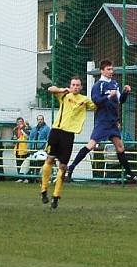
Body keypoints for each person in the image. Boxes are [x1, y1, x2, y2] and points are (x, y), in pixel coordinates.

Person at [66, 59, 137, 183]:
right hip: (102, 121)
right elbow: (96, 100)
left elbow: (120, 100)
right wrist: (108, 96)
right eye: (108, 69)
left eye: (112, 69)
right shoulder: (98, 85)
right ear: (102, 71)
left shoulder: (114, 84)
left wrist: (125, 92)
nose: (111, 71)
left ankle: (129, 174)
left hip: (113, 122)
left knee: (120, 147)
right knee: (91, 145)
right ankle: (71, 168)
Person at [40, 77, 96, 210]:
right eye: (73, 84)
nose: (75, 87)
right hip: (56, 131)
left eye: (78, 85)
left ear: (81, 87)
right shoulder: (64, 95)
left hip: (69, 135)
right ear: (70, 85)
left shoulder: (84, 99)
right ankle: (43, 189)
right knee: (49, 159)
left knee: (63, 166)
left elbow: (96, 106)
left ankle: (56, 196)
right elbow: (50, 89)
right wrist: (62, 89)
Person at [13, 117, 29, 182]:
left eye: (21, 121)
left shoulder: (26, 128)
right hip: (17, 148)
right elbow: (13, 138)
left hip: (25, 148)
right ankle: (20, 177)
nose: (20, 123)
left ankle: (25, 177)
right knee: (18, 163)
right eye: (18, 122)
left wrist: (22, 128)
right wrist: (14, 139)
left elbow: (27, 136)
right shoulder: (15, 129)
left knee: (25, 163)